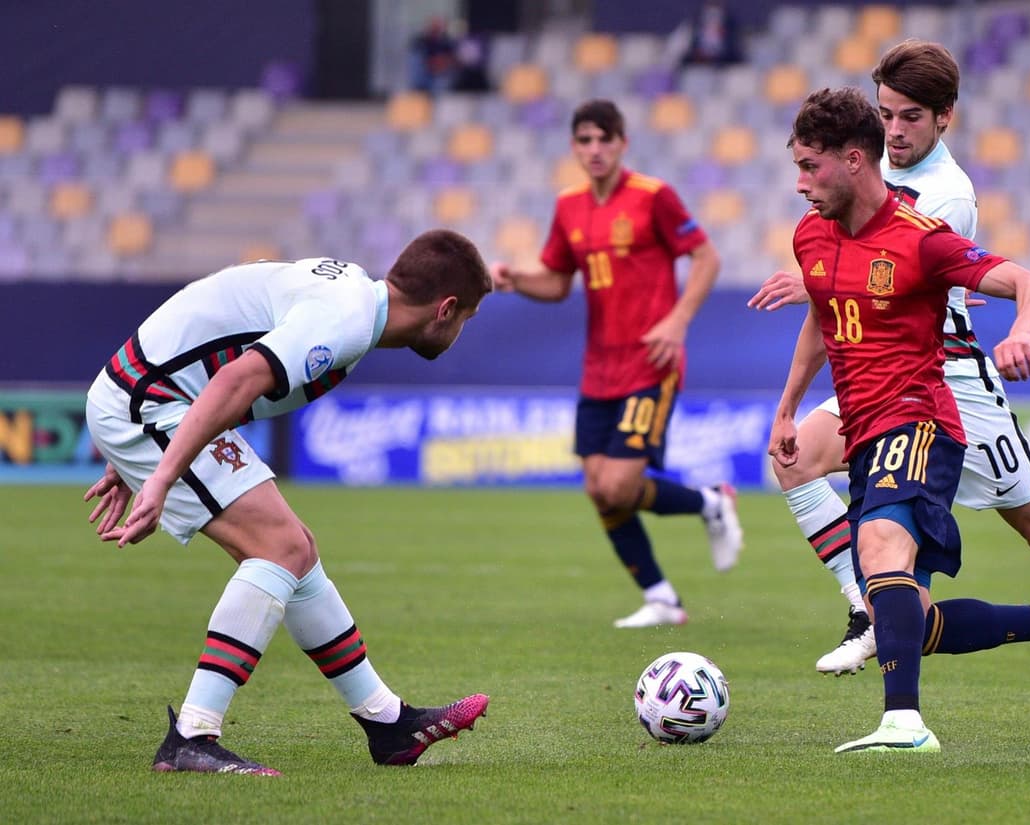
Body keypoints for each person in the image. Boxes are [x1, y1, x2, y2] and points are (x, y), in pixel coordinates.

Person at [750, 40, 1030, 727]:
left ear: (945, 118)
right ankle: (866, 607)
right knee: (798, 467)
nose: (895, 131)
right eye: (886, 114)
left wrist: (1020, 329)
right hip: (881, 380)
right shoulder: (845, 194)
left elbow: (929, 269)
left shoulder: (946, 196)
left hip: (952, 380)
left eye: (910, 117)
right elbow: (843, 286)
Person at [82, 229, 493, 774]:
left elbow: (218, 313)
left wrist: (130, 438)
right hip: (152, 403)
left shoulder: (352, 296)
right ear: (445, 309)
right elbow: (239, 377)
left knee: (296, 549)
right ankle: (192, 737)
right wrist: (155, 473)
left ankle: (387, 722)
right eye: (467, 317)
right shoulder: (343, 322)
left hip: (151, 395)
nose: (461, 330)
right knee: (278, 550)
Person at [490, 99, 742, 629]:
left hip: (652, 362)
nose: (595, 149)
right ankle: (662, 597)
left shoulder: (654, 197)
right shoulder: (568, 206)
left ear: (623, 143)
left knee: (621, 486)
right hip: (598, 367)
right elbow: (557, 282)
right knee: (597, 487)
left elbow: (707, 257)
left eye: (605, 138)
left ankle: (713, 504)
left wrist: (676, 322)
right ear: (574, 148)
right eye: (585, 140)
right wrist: (515, 278)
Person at [675, 1, 744, 68]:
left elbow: (734, 47)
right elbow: (688, 46)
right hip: (698, 65)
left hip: (725, 65)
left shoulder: (731, 20)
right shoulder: (695, 19)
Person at [408, 17, 458, 94]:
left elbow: (449, 61)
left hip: (438, 76)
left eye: (438, 28)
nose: (436, 30)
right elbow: (425, 63)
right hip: (424, 77)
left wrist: (440, 62)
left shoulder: (446, 43)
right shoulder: (420, 42)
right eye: (434, 27)